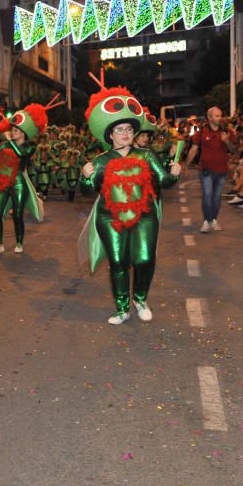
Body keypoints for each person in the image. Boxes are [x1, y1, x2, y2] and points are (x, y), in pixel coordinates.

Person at [79, 76, 181, 325]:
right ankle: (123, 307)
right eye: (119, 130)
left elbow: (164, 182)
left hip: (144, 215)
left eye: (128, 129)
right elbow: (87, 191)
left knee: (144, 259)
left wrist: (174, 175)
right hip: (109, 217)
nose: (125, 134)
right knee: (118, 262)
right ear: (110, 134)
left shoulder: (146, 155)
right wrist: (85, 178)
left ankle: (140, 298)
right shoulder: (101, 160)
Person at [0, 96, 59, 255]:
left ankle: (19, 243)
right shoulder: (7, 143)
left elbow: (20, 155)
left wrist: (9, 142)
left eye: (16, 130)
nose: (12, 132)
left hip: (19, 182)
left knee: (18, 215)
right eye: (12, 129)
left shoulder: (30, 146)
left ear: (24, 133)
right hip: (3, 181)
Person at [186, 106, 236, 233]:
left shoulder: (227, 132)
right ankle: (207, 221)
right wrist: (186, 165)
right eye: (217, 116)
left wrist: (227, 141)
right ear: (209, 118)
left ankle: (214, 219)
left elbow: (234, 150)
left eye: (220, 115)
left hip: (222, 170)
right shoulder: (201, 133)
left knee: (217, 196)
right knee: (207, 195)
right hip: (206, 170)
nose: (220, 118)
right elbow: (193, 149)